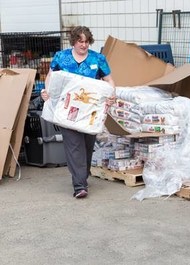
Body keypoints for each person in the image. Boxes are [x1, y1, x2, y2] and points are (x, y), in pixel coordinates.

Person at [41, 26, 116, 199]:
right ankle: (79, 185)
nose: (84, 45)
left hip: (90, 110)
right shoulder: (61, 57)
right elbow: (51, 77)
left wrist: (112, 95)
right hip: (67, 110)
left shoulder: (98, 59)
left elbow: (109, 80)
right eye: (80, 41)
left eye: (86, 41)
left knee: (87, 145)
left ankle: (83, 174)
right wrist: (47, 92)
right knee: (74, 145)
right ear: (73, 41)